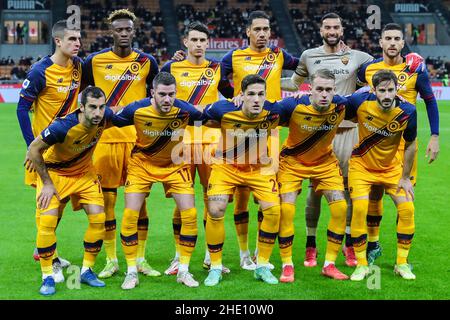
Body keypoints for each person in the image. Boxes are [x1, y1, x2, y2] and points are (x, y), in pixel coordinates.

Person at [281, 12, 372, 268]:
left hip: (347, 131)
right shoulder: (309, 55)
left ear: (341, 30)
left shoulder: (359, 57)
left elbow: (383, 72)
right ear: (321, 30)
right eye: (327, 27)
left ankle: (348, 243)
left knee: (347, 191)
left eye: (336, 27)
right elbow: (294, 83)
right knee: (314, 191)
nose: (332, 30)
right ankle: (311, 245)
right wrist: (262, 85)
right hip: (317, 134)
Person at [83, 9, 160, 279]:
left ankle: (140, 258)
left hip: (137, 143)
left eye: (128, 29)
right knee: (107, 202)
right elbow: (83, 98)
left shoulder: (148, 61)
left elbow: (157, 99)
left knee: (140, 204)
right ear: (111, 32)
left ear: (134, 31)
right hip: (104, 142)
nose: (124, 33)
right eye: (119, 30)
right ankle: (111, 259)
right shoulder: (93, 61)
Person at [111, 72, 204, 289]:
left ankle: (183, 270)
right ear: (152, 92)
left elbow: (214, 116)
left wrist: (237, 101)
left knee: (189, 215)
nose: (167, 99)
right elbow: (110, 119)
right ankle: (132, 271)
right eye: (162, 94)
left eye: (171, 94)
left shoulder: (184, 110)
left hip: (174, 165)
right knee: (130, 215)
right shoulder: (137, 109)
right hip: (141, 165)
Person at [220, 10, 298, 269]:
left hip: (270, 133)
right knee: (241, 196)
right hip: (241, 132)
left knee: (267, 198)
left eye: (266, 29)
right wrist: (233, 96)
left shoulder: (278, 55)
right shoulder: (234, 56)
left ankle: (257, 252)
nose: (263, 34)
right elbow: (216, 76)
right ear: (248, 32)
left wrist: (328, 55)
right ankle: (243, 254)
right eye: (258, 29)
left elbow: (304, 65)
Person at [357, 23, 439, 265]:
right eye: (388, 38)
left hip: (404, 146)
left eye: (397, 39)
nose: (392, 43)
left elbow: (431, 101)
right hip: (373, 144)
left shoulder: (415, 69)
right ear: (380, 43)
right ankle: (372, 244)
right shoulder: (368, 69)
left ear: (403, 43)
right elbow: (355, 93)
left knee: (405, 200)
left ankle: (402, 260)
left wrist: (435, 136)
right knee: (374, 195)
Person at [161, 21, 233, 275]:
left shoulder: (215, 69)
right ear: (186, 42)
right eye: (195, 40)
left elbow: (231, 94)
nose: (199, 45)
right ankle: (179, 256)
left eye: (203, 41)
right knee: (182, 201)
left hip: (212, 142)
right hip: (181, 142)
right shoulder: (172, 67)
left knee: (212, 199)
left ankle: (210, 256)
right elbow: (161, 94)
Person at [25, 86, 111, 295]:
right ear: (81, 107)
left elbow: (130, 112)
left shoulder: (106, 118)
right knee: (47, 222)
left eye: (101, 107)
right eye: (92, 107)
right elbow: (34, 149)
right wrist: (46, 183)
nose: (98, 113)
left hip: (84, 173)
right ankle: (47, 277)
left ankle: (86, 270)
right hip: (55, 174)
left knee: (99, 219)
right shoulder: (63, 127)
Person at [17, 19, 82, 281]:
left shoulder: (79, 66)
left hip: (68, 150)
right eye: (72, 40)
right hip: (44, 150)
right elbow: (22, 109)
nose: (77, 44)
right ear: (58, 41)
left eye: (79, 39)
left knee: (61, 202)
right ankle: (48, 257)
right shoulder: (39, 72)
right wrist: (31, 147)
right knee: (46, 204)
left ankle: (44, 249)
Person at [202, 74, 281, 286]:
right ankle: (216, 266)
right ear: (241, 96)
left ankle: (262, 265)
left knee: (273, 210)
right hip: (226, 166)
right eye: (251, 94)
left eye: (260, 94)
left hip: (258, 168)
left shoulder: (274, 111)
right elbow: (199, 114)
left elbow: (301, 104)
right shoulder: (224, 109)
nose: (256, 99)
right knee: (215, 209)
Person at [277, 69, 350, 282]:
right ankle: (287, 265)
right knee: (286, 210)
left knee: (340, 208)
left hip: (324, 162)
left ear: (334, 90)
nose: (324, 94)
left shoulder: (343, 104)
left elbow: (373, 97)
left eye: (328, 90)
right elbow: (264, 109)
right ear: (310, 89)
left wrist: (397, 98)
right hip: (293, 162)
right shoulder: (292, 105)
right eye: (319, 89)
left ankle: (329, 264)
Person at [346, 70, 417, 281]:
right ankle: (361, 264)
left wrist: (405, 177)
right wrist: (302, 97)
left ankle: (402, 263)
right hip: (361, 166)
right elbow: (334, 104)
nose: (387, 95)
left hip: (392, 169)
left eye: (391, 90)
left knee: (407, 208)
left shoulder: (408, 110)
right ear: (373, 90)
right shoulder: (360, 100)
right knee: (359, 208)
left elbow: (411, 144)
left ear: (397, 90)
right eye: (382, 90)